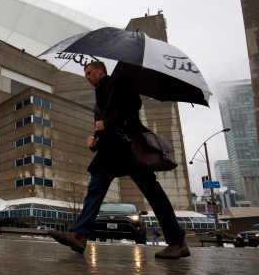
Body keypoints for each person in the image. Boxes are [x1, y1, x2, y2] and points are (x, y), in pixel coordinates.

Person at [48, 60, 190, 260]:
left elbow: (132, 106)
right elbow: (101, 128)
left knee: (154, 194)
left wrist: (106, 123)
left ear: (101, 70)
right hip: (109, 153)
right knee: (94, 191)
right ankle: (79, 235)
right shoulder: (100, 97)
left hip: (130, 150)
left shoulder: (121, 82)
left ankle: (178, 243)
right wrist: (94, 142)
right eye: (86, 75)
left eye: (90, 73)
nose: (87, 77)